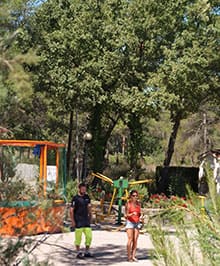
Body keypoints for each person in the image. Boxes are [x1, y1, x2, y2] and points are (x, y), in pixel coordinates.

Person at [70, 183, 93, 259]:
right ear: (79, 189)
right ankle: (78, 252)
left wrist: (91, 216)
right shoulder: (75, 198)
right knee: (78, 237)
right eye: (82, 189)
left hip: (86, 219)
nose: (84, 190)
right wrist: (73, 221)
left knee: (89, 236)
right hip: (78, 220)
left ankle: (87, 251)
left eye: (85, 189)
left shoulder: (87, 197)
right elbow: (71, 210)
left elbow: (89, 207)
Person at [125, 190, 143, 262]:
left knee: (135, 240)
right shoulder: (128, 204)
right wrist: (131, 214)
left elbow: (140, 213)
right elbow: (126, 215)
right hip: (130, 222)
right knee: (130, 239)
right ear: (131, 196)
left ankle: (133, 256)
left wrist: (141, 217)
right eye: (133, 196)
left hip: (137, 222)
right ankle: (129, 256)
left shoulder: (138, 204)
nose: (135, 197)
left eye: (136, 195)